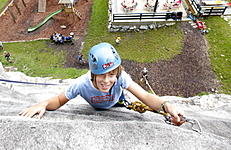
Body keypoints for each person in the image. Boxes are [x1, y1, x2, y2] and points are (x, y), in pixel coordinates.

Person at [19, 43, 184, 125]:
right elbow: (60, 100)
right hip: (98, 108)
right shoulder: (81, 84)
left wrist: (166, 106)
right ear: (92, 74)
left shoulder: (121, 77)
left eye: (111, 74)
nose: (107, 81)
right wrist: (44, 104)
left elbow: (145, 96)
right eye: (101, 76)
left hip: (118, 103)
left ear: (117, 72)